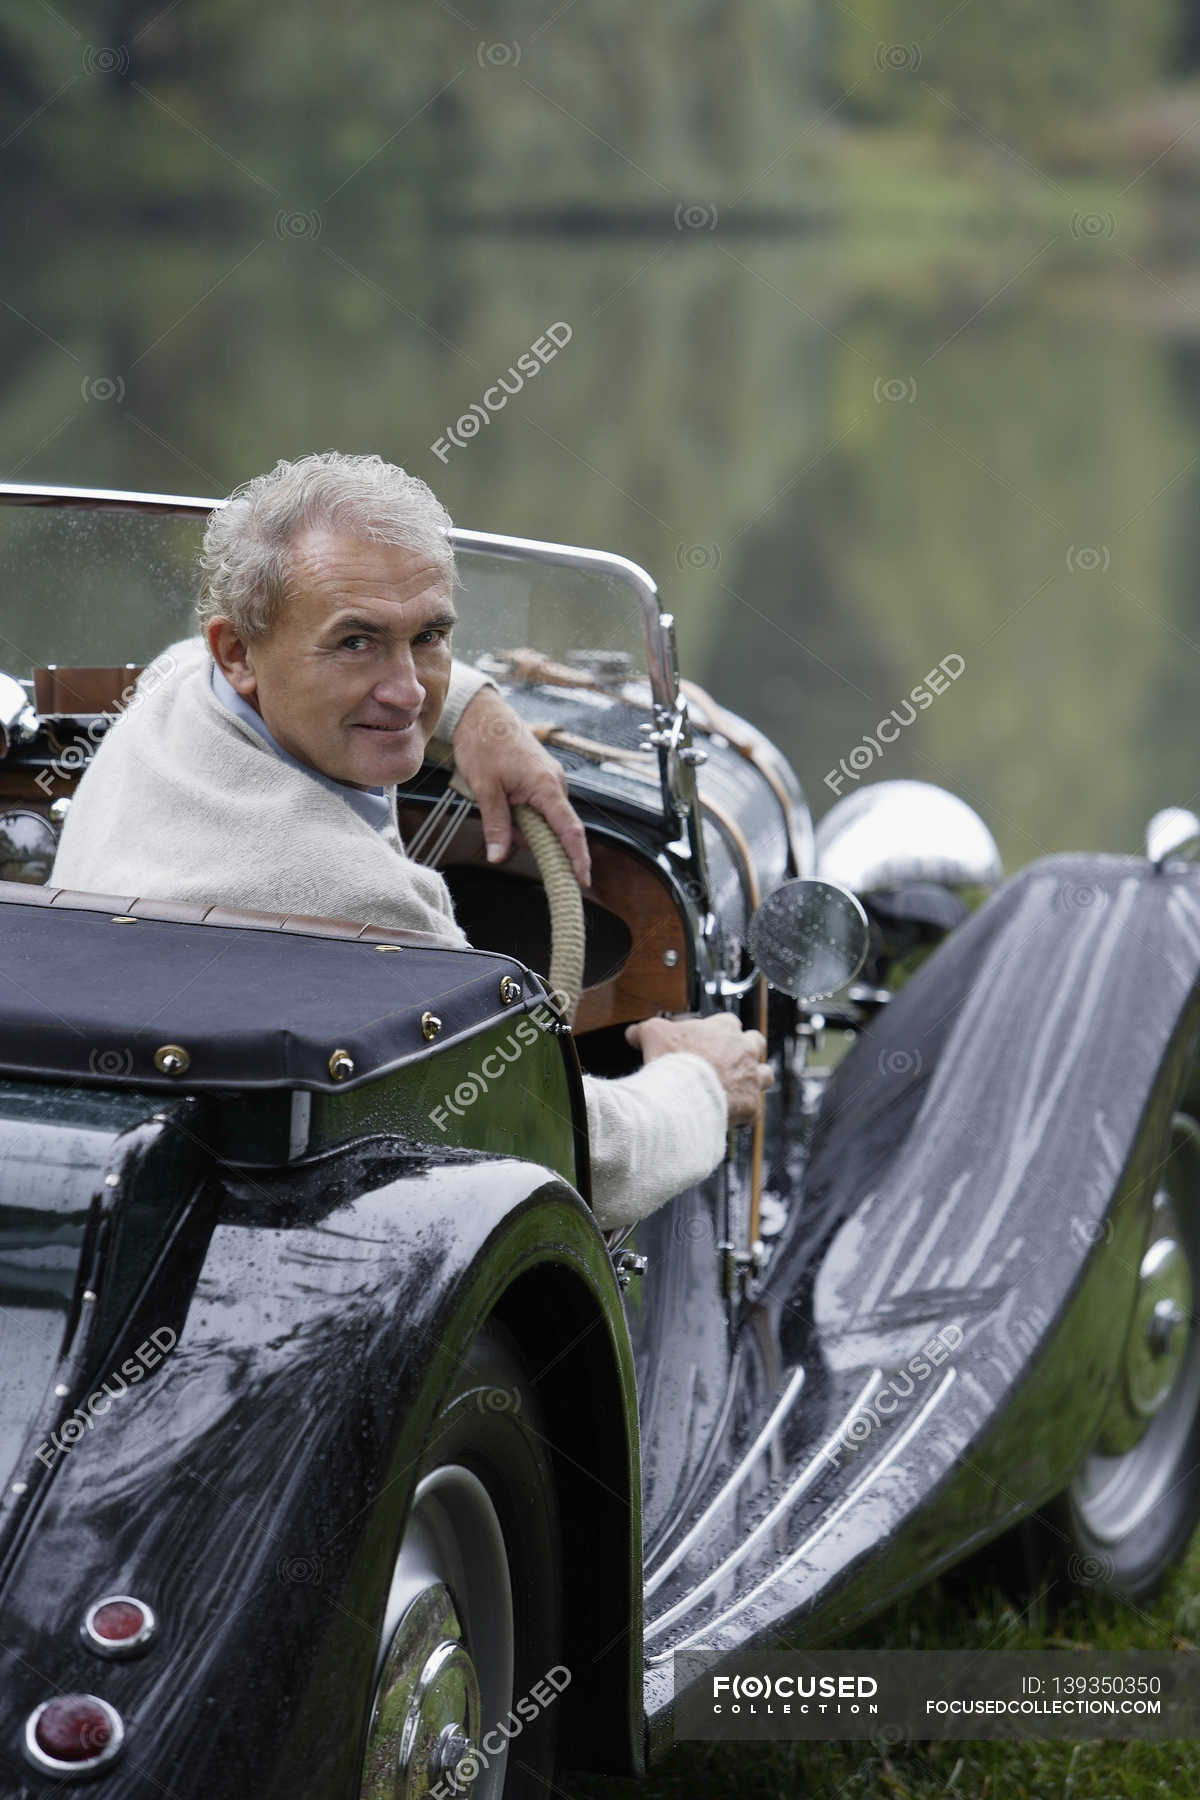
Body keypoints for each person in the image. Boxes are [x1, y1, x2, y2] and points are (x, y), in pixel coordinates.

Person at [49, 452, 771, 1228]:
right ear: (240, 651)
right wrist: (697, 1083)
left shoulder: (174, 692)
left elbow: (195, 657)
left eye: (428, 636)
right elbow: (563, 1151)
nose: (407, 693)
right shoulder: (351, 902)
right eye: (356, 643)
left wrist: (476, 712)